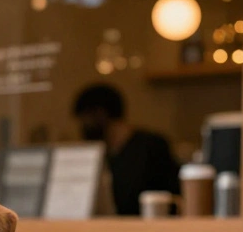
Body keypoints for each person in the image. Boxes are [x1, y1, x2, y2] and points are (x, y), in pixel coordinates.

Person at [72, 84, 180, 216]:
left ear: (100, 114)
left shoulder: (151, 147)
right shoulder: (101, 154)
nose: (82, 126)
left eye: (85, 118)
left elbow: (174, 198)